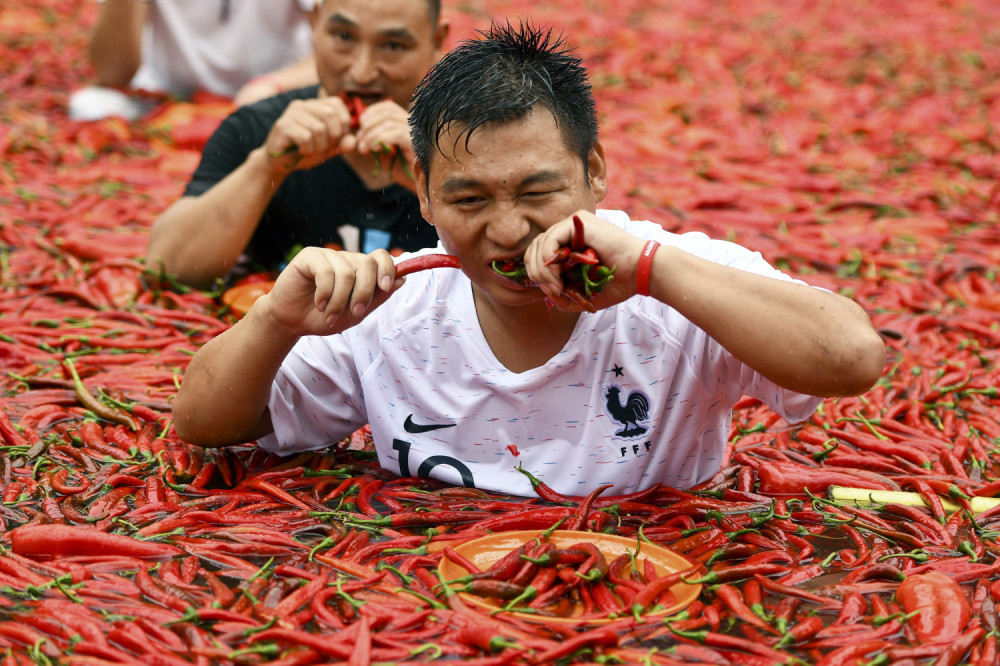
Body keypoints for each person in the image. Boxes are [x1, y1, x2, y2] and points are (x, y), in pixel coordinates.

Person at [173, 20, 886, 497]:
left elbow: (853, 357)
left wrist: (652, 271)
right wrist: (275, 320)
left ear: (595, 172)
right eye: (469, 199)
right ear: (421, 194)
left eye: (539, 191)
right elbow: (202, 424)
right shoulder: (397, 309)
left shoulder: (675, 281)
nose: (507, 229)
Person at [144, 0, 449, 288]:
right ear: (314, 25)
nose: (362, 72)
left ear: (437, 41)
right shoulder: (257, 129)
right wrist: (265, 166)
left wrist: (432, 178)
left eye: (393, 46)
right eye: (343, 36)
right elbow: (167, 269)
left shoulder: (466, 142)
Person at [69, 0, 321, 122]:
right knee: (90, 106)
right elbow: (112, 74)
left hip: (270, 97)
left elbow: (344, 50)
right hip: (165, 99)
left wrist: (271, 84)